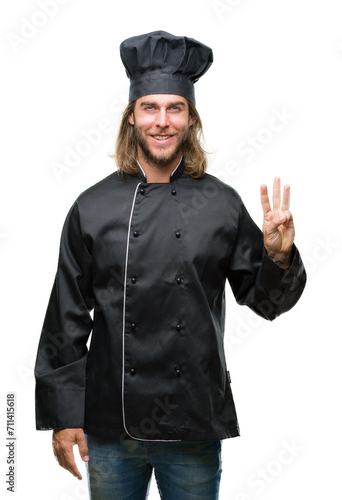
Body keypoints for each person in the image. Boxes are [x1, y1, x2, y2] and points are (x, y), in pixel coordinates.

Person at [34, 31, 306, 500]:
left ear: (191, 118)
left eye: (175, 108)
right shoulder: (92, 207)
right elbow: (67, 317)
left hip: (192, 423)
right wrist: (63, 416)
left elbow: (264, 302)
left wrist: (277, 256)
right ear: (132, 117)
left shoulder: (221, 203)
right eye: (150, 108)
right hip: (109, 425)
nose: (162, 122)